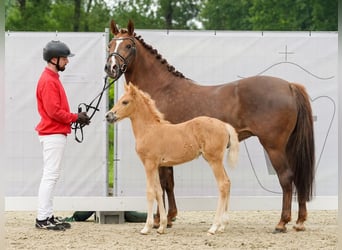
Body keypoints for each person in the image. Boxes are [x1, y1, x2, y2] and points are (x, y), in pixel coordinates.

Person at [35, 40, 90, 231]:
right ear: (54, 59)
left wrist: (75, 117)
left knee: (52, 175)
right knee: (50, 175)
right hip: (52, 133)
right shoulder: (49, 80)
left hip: (54, 132)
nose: (67, 61)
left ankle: (47, 216)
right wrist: (76, 117)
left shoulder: (52, 78)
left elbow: (56, 111)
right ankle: (42, 218)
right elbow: (54, 112)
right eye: (65, 58)